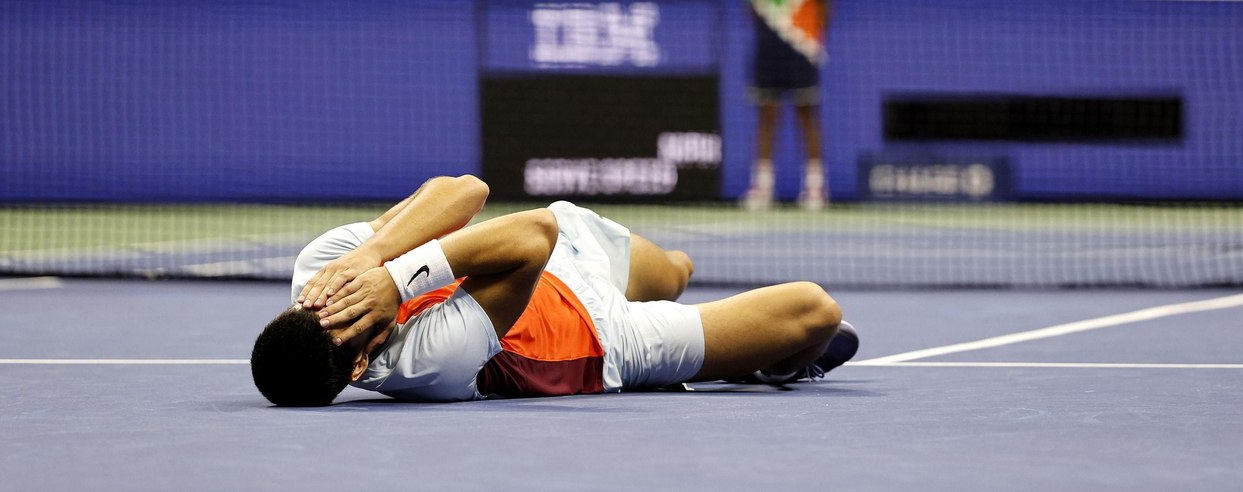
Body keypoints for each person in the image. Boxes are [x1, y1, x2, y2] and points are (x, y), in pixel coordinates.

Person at [250, 175, 859, 405]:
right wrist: (398, 283)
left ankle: (744, 347)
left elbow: (465, 191)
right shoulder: (428, 366)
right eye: (344, 320)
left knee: (677, 270)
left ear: (301, 301)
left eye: (320, 305)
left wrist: (375, 257)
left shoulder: (324, 269)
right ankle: (760, 365)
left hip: (568, 253)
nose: (337, 302)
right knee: (816, 315)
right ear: (360, 365)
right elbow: (528, 237)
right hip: (604, 341)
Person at [741, 0, 828, 213]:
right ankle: (762, 187)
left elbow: (823, 6)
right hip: (768, 50)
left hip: (802, 49)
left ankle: (815, 187)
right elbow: (751, 10)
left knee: (807, 117)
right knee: (766, 117)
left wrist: (808, 42)